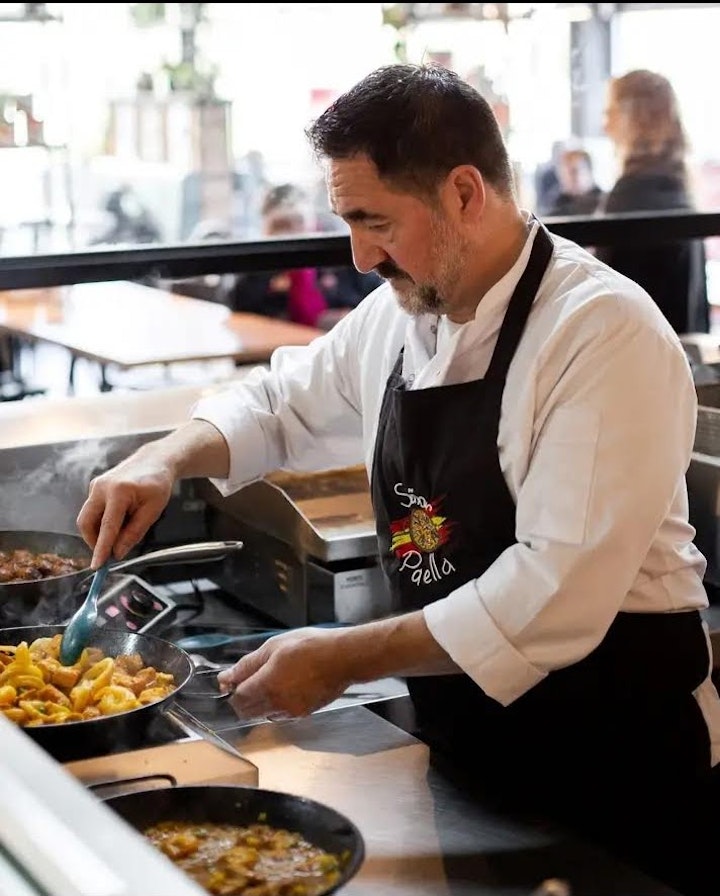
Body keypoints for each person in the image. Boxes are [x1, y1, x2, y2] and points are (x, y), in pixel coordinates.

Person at [77, 63, 720, 896]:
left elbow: (551, 595)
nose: (359, 256)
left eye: (374, 221)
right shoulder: (407, 312)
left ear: (464, 193)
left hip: (616, 766)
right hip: (468, 747)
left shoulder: (602, 332)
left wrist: (344, 657)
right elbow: (280, 403)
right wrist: (164, 457)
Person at [597, 68, 710, 334]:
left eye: (610, 111)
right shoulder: (674, 187)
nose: (605, 124)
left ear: (635, 118)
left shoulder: (633, 194)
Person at [546, 148, 603, 217]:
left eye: (574, 171)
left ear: (589, 171)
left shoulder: (605, 202)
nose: (568, 178)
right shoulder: (557, 203)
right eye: (564, 173)